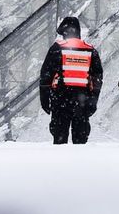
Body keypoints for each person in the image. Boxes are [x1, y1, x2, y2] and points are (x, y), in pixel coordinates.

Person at [39, 16, 102, 144]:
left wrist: (45, 100)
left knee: (60, 139)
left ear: (65, 32)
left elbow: (46, 77)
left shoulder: (57, 48)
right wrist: (93, 101)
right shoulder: (90, 50)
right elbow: (97, 80)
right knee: (80, 140)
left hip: (60, 100)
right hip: (82, 102)